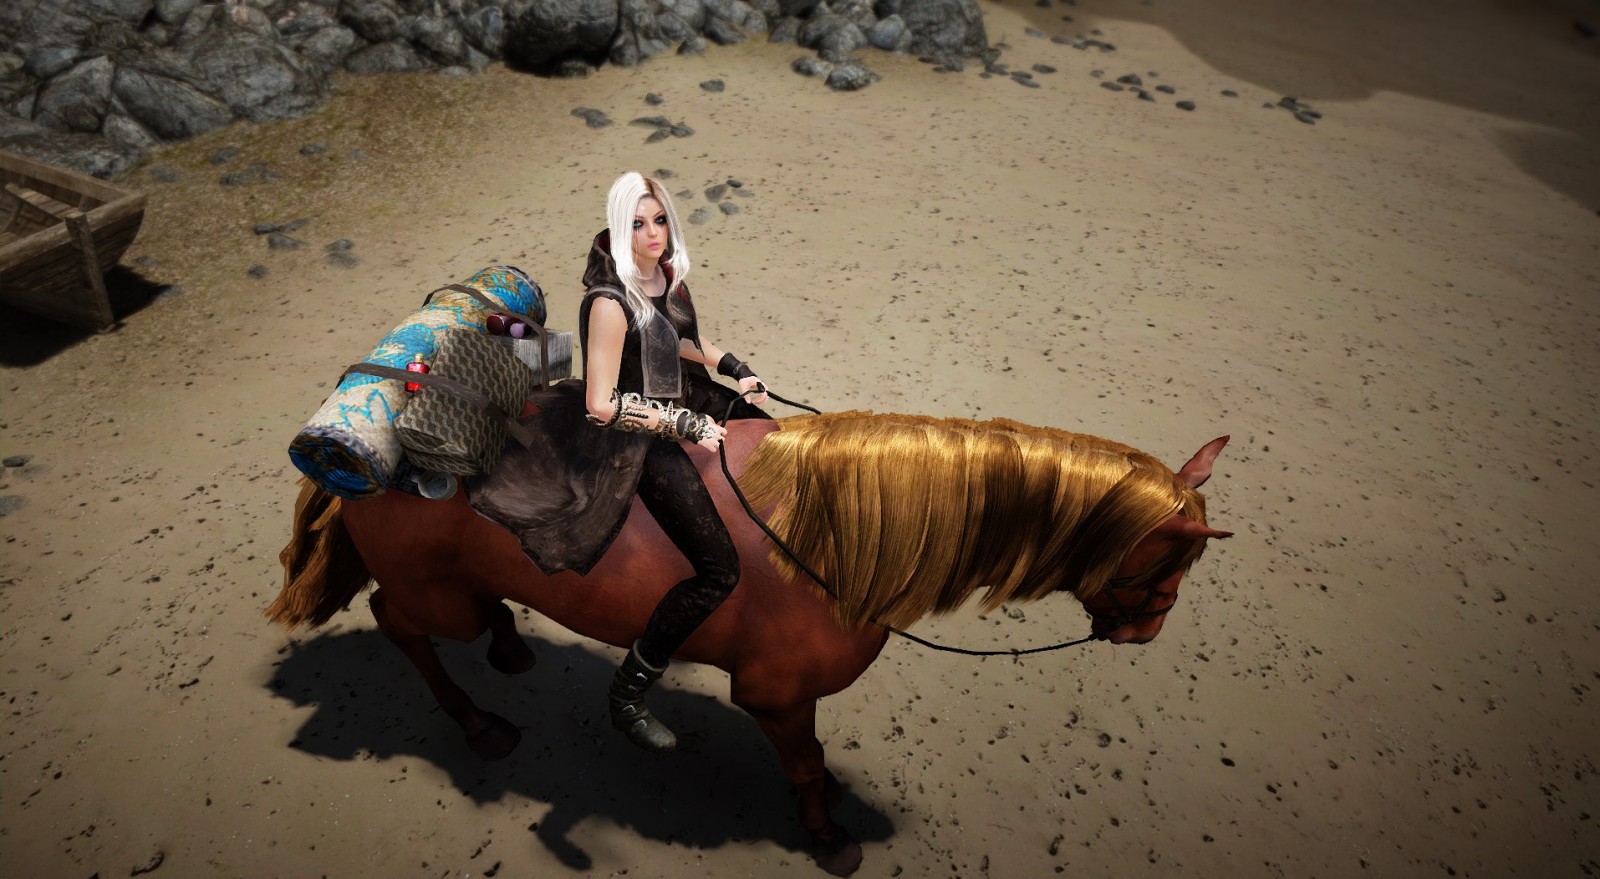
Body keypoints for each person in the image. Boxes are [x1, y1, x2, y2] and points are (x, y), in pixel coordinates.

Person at [579, 171, 768, 752]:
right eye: (638, 224)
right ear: (619, 227)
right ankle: (629, 691)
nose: (653, 233)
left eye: (659, 219)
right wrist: (684, 425)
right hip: (637, 431)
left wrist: (736, 368)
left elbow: (678, 339)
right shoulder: (609, 304)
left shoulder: (665, 276)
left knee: (767, 428)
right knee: (718, 570)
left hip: (682, 390)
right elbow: (600, 404)